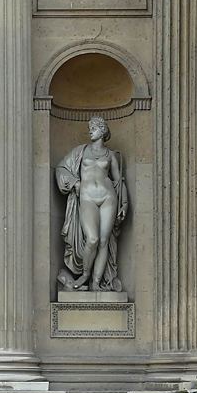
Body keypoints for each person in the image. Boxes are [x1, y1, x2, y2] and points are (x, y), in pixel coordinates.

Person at [56, 116, 128, 292]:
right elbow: (61, 168)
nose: (90, 130)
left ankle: (96, 282)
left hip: (108, 198)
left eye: (94, 127)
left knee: (104, 240)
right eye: (90, 127)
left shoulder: (110, 155)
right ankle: (85, 275)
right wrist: (75, 182)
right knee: (93, 239)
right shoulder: (81, 151)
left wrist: (124, 203)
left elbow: (119, 181)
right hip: (87, 197)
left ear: (103, 131)